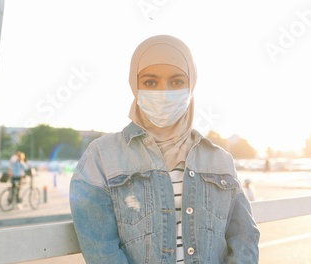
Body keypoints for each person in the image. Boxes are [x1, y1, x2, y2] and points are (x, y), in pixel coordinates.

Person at [69, 35, 260, 263]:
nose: (164, 92)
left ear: (192, 85)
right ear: (134, 85)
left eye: (177, 82)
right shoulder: (101, 156)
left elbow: (244, 237)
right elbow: (100, 249)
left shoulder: (219, 159)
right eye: (150, 82)